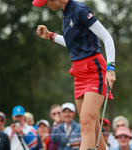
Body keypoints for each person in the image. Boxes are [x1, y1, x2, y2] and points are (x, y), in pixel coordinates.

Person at [32, 0, 116, 149]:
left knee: (85, 121)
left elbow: (107, 38)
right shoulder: (64, 12)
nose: (44, 5)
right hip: (78, 73)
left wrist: (111, 69)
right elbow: (73, 42)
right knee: (93, 125)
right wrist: (51, 36)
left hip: (94, 69)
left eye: (45, 2)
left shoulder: (80, 10)